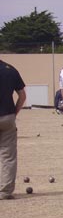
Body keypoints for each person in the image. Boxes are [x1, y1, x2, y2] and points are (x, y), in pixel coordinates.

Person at [0, 59, 26, 200]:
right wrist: (14, 112)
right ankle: (5, 191)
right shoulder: (10, 69)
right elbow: (22, 95)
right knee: (8, 157)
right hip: (7, 116)